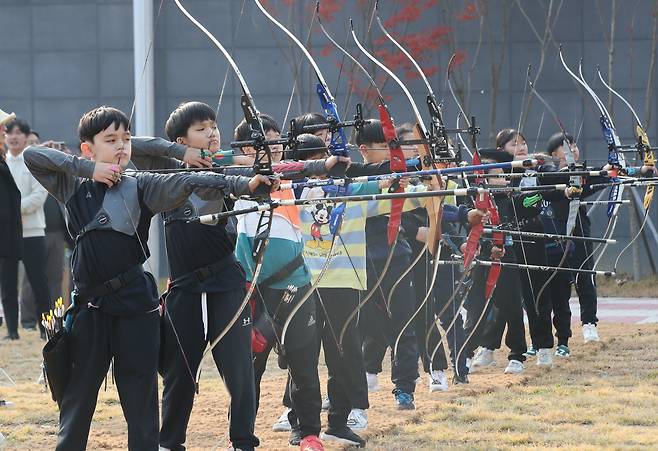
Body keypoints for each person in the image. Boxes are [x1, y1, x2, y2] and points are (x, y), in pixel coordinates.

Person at [24, 106, 272, 451]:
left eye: (125, 139)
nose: (122, 147)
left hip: (135, 309)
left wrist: (245, 183)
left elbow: (189, 179)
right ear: (87, 148)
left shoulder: (142, 185)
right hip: (90, 309)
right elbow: (32, 155)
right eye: (110, 140)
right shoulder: (71, 185)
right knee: (77, 399)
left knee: (141, 402)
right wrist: (90, 169)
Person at [5, 118, 50, 340]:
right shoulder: (3, 162)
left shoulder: (33, 161)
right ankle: (12, 331)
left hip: (32, 231)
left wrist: (13, 211)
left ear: (25, 136)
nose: (13, 137)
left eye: (18, 133)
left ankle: (46, 328)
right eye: (9, 133)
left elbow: (39, 195)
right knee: (8, 283)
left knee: (39, 282)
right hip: (7, 234)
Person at [0, 109, 23, 340]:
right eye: (1, 127)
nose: (5, 132)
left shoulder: (3, 159)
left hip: (7, 235)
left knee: (9, 286)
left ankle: (13, 331)